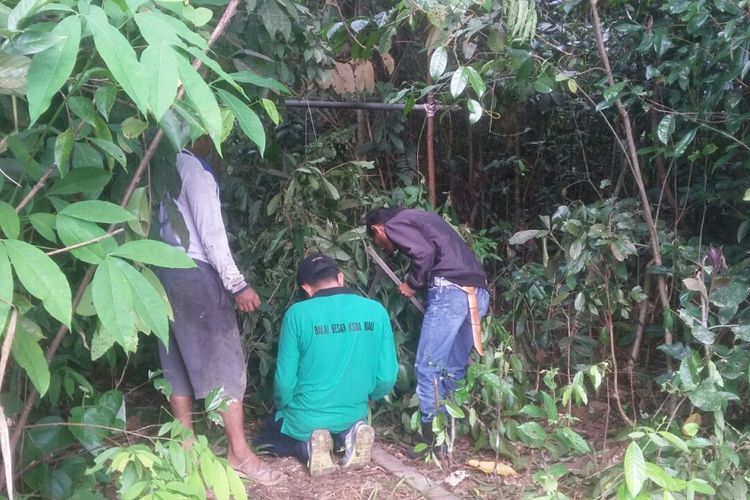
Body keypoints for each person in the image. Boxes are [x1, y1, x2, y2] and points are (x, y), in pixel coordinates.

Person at [157, 137, 284, 486]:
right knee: (225, 363)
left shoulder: (157, 168)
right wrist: (237, 284)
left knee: (176, 361)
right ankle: (239, 453)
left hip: (158, 272)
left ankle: (183, 451)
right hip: (194, 272)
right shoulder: (194, 170)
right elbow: (211, 234)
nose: (215, 142)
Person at [254, 254, 398, 476]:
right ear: (340, 278)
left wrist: (283, 405)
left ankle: (310, 447)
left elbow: (284, 383)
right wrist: (371, 396)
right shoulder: (376, 311)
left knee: (267, 439)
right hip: (353, 411)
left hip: (305, 417)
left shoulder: (297, 314)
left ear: (306, 288)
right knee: (344, 424)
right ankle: (351, 434)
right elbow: (388, 376)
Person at [365, 207, 490, 447]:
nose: (383, 246)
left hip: (450, 292)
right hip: (477, 293)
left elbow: (424, 252)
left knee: (427, 367)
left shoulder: (394, 223)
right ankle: (447, 434)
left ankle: (430, 441)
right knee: (453, 368)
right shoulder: (421, 217)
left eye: (378, 241)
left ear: (376, 229)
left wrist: (412, 283)